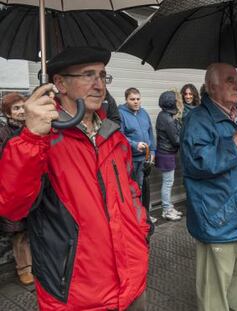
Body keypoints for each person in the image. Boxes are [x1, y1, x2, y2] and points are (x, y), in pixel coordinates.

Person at [0, 47, 150, 310]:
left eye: (103, 76)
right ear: (60, 83)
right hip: (76, 292)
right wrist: (32, 139)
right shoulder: (36, 141)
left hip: (132, 278)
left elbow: (132, 191)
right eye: (88, 75)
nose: (99, 84)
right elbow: (12, 206)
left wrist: (142, 231)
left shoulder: (113, 135)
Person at [181, 63, 237, 311]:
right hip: (219, 220)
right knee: (214, 297)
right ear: (211, 86)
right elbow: (196, 162)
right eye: (229, 80)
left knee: (236, 290)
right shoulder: (197, 119)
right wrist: (234, 142)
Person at [0, 92, 34, 286]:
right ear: (8, 113)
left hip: (33, 190)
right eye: (16, 108)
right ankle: (24, 269)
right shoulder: (3, 133)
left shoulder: (31, 129)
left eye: (23, 107)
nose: (21, 111)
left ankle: (36, 263)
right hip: (13, 192)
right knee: (19, 233)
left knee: (33, 229)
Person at [119, 87, 156, 190]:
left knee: (143, 186)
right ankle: (134, 206)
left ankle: (144, 206)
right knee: (131, 187)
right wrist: (135, 145)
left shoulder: (144, 113)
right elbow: (120, 136)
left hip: (145, 158)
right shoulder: (121, 113)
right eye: (132, 99)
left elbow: (150, 133)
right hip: (130, 159)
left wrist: (152, 152)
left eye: (138, 99)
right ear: (126, 100)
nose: (136, 102)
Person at [155, 90, 183, 221]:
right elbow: (176, 140)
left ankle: (169, 207)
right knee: (167, 183)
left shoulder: (164, 115)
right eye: (176, 100)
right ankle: (166, 210)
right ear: (171, 103)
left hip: (164, 153)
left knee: (168, 182)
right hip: (166, 154)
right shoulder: (168, 119)